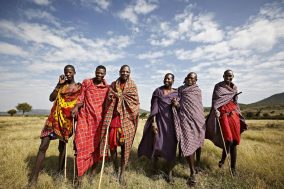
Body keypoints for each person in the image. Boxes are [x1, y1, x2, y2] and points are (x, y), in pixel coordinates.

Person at [30, 65, 81, 184]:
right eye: (66, 72)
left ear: (74, 72)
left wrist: (77, 108)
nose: (68, 74)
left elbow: (81, 102)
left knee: (62, 147)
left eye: (70, 72)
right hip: (53, 119)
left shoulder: (79, 87)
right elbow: (51, 98)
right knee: (43, 146)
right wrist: (58, 85)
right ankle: (33, 178)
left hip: (67, 121)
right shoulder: (61, 86)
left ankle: (59, 171)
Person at [100, 65, 139, 185]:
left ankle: (122, 173)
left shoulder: (132, 86)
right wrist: (112, 97)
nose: (125, 73)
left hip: (127, 120)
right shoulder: (113, 85)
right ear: (119, 72)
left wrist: (120, 97)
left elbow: (135, 103)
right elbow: (107, 100)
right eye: (123, 71)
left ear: (130, 73)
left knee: (125, 148)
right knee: (112, 147)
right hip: (114, 119)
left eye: (127, 71)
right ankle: (115, 169)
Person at [205, 69, 247, 176]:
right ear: (223, 76)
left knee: (235, 142)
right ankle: (223, 160)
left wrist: (239, 114)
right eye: (228, 75)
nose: (230, 77)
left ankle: (233, 169)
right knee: (228, 139)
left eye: (231, 76)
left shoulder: (234, 87)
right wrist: (216, 110)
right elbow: (215, 101)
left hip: (234, 115)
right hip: (223, 114)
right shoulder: (218, 87)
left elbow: (235, 102)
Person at [138, 73, 178, 183]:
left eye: (169, 78)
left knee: (172, 146)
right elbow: (154, 108)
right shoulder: (158, 91)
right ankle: (154, 169)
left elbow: (180, 108)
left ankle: (169, 172)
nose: (166, 80)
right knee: (157, 144)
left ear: (173, 81)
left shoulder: (177, 92)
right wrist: (154, 123)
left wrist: (176, 104)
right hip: (159, 122)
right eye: (165, 78)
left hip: (172, 124)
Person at [71, 65, 109, 179]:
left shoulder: (107, 88)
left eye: (102, 73)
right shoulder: (87, 83)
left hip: (99, 122)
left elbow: (109, 104)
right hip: (85, 119)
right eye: (98, 73)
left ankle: (92, 174)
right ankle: (79, 177)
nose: (99, 75)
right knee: (80, 145)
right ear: (95, 72)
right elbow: (81, 98)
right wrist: (76, 107)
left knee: (96, 147)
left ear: (104, 74)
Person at [172, 72, 205, 186]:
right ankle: (192, 172)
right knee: (188, 143)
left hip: (198, 120)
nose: (190, 79)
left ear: (196, 80)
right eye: (188, 77)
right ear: (185, 78)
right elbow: (178, 102)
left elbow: (199, 106)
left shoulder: (197, 91)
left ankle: (197, 165)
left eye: (193, 78)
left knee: (197, 144)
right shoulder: (180, 90)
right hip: (185, 119)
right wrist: (176, 104)